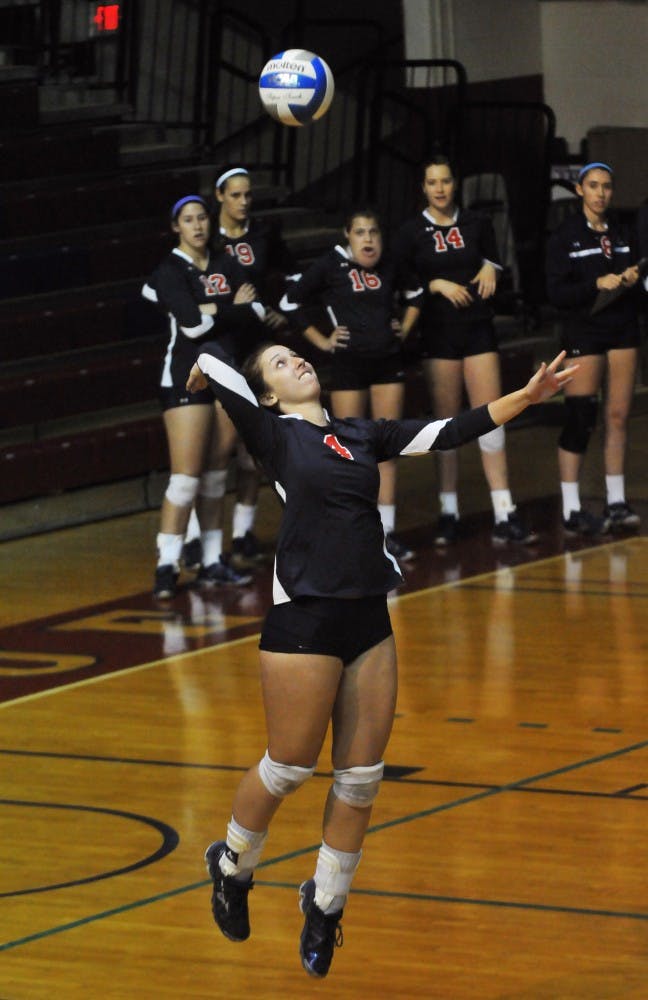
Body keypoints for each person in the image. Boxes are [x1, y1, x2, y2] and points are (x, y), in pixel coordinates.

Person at [187, 339, 576, 978]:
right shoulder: (273, 435)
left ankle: (327, 905)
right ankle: (231, 867)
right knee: (287, 767)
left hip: (369, 616)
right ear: (267, 395)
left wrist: (527, 397)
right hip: (306, 617)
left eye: (299, 355)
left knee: (361, 779)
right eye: (281, 363)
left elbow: (450, 430)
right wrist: (202, 367)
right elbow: (217, 357)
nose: (298, 363)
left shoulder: (362, 434)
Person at [394, 154, 538, 547]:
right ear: (423, 188)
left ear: (454, 183)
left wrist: (492, 266)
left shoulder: (477, 222)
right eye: (432, 182)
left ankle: (504, 511)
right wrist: (435, 284)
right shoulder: (410, 232)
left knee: (491, 418)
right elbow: (402, 280)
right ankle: (449, 512)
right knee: (446, 425)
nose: (440, 189)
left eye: (445, 181)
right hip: (438, 335)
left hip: (477, 329)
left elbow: (495, 259)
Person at [279, 206, 423, 561]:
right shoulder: (332, 263)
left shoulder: (390, 262)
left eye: (374, 232)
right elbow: (290, 301)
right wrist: (322, 340)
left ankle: (386, 532)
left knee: (387, 446)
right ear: (348, 235)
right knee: (348, 452)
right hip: (348, 366)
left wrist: (403, 328)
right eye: (361, 232)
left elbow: (417, 294)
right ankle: (351, 532)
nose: (369, 239)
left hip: (387, 362)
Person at [142, 195, 266, 599]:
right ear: (176, 226)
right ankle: (167, 563)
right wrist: (233, 307)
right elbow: (193, 327)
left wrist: (217, 309)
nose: (198, 226)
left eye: (202, 219)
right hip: (186, 375)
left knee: (216, 474)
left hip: (225, 375)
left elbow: (260, 310)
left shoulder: (225, 263)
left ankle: (213, 560)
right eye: (188, 220)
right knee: (185, 478)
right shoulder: (169, 270)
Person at [181, 166, 298, 574]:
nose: (244, 201)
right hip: (218, 352)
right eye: (236, 195)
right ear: (219, 196)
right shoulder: (207, 240)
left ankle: (244, 531)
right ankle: (196, 536)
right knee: (215, 451)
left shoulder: (265, 235)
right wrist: (234, 303)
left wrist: (282, 310)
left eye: (248, 194)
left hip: (257, 352)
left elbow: (297, 275)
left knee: (256, 449)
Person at [546, 161, 642, 535]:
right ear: (579, 190)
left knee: (617, 417)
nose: (601, 193)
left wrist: (633, 278)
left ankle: (615, 500)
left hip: (622, 331)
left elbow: (632, 281)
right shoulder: (565, 235)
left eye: (607, 186)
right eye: (593, 185)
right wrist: (595, 285)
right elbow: (556, 293)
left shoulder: (623, 232)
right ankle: (571, 507)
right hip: (584, 332)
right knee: (580, 418)